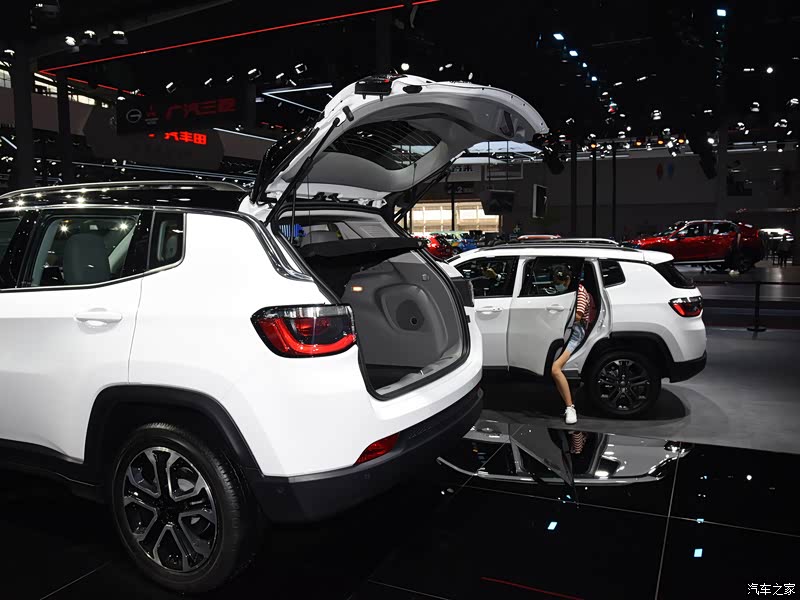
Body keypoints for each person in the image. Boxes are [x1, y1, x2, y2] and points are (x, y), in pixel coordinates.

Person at [550, 266, 591, 425]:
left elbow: (577, 317)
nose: (557, 286)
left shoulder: (580, 293)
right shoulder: (572, 291)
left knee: (555, 369)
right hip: (569, 329)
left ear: (567, 280)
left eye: (558, 283)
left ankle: (570, 407)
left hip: (576, 332)